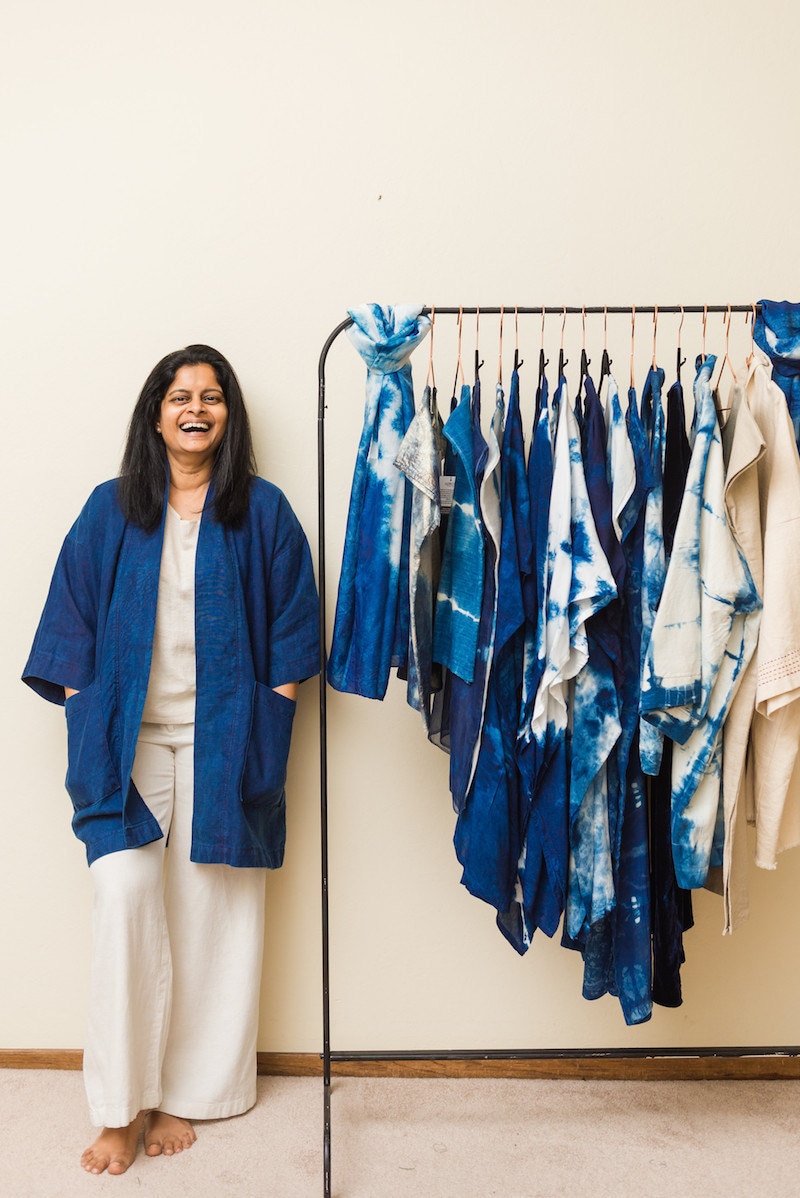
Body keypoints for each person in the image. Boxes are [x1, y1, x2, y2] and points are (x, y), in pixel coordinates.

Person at [22, 345, 319, 1175]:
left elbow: (296, 633)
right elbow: (70, 624)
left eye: (213, 396)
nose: (197, 408)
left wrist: (271, 720)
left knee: (215, 912)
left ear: (230, 416)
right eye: (181, 395)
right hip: (129, 737)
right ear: (155, 413)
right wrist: (86, 713)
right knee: (125, 896)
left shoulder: (263, 512)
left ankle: (192, 1092)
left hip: (230, 735)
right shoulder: (109, 508)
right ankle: (122, 1109)